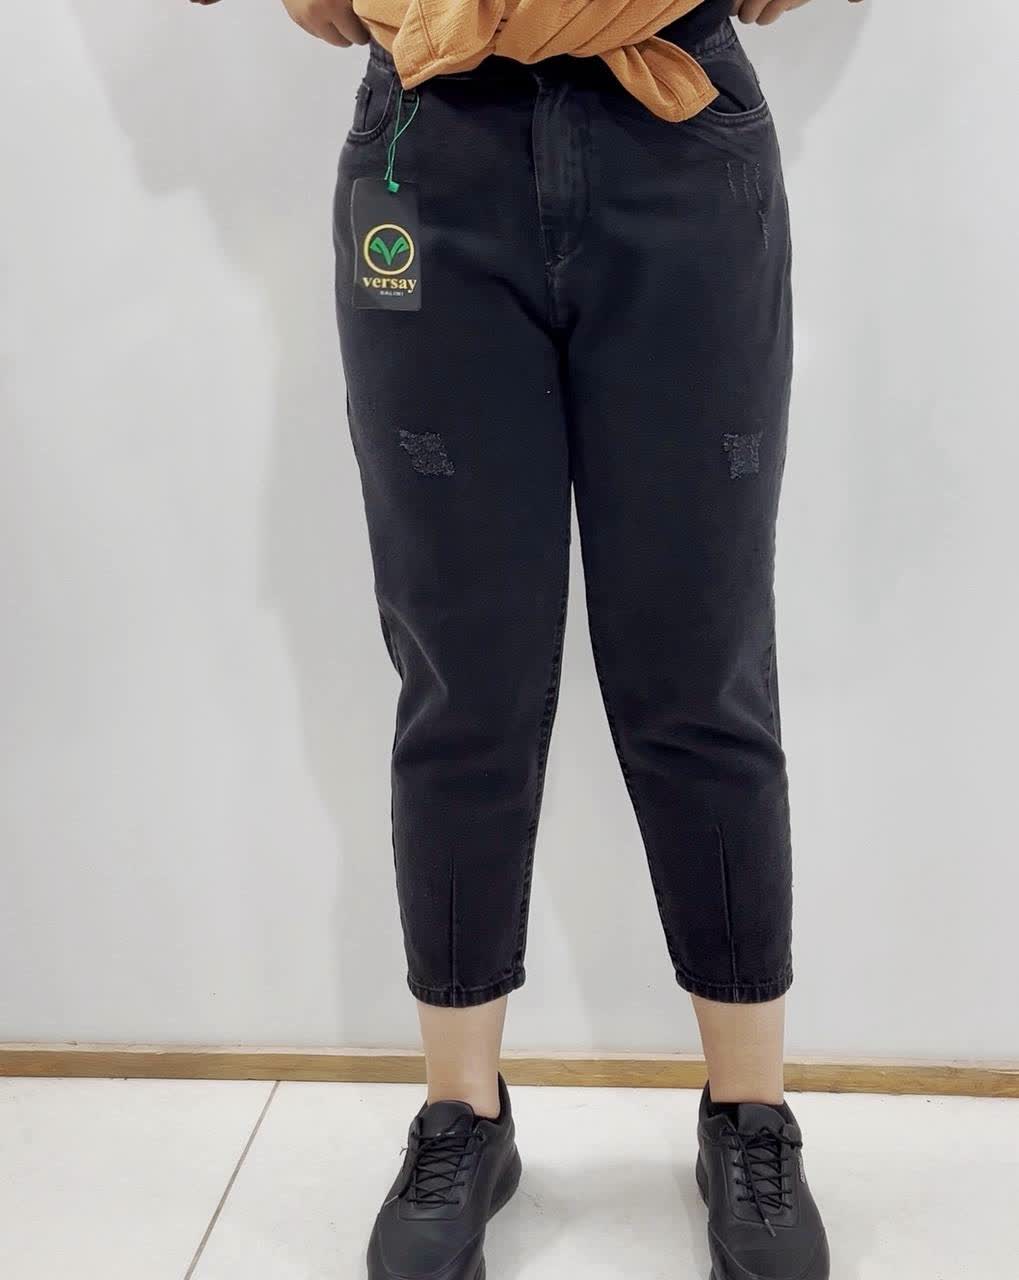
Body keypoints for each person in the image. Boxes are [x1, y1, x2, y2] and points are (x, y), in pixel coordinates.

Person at [192, 1, 863, 1276]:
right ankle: (462, 1113)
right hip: (428, 136)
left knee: (701, 657)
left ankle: (749, 1113)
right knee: (461, 668)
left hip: (678, 131)